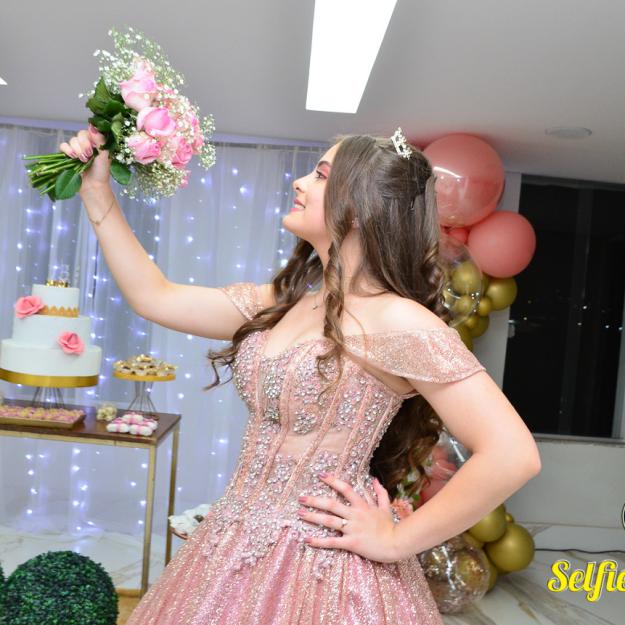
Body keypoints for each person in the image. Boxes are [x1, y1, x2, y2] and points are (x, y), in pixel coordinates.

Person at [60, 127, 541, 624]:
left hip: (324, 562)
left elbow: (512, 453)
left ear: (360, 207)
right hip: (230, 540)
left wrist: (398, 540)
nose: (300, 182)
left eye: (321, 175)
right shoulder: (286, 301)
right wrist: (97, 191)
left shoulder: (398, 320)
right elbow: (155, 297)